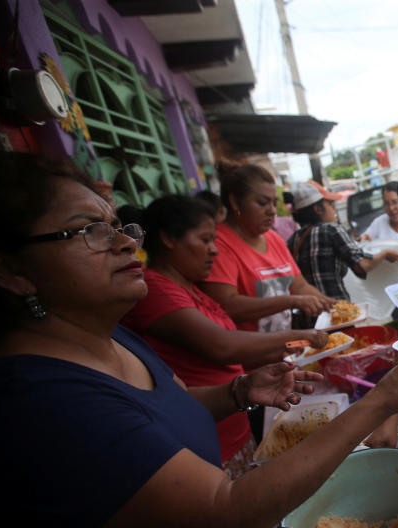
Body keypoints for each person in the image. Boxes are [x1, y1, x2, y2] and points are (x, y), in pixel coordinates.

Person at [0, 151, 398, 528]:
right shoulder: (35, 404)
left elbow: (173, 406)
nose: (125, 243)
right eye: (89, 230)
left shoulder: (110, 336)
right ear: (6, 269)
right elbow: (225, 514)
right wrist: (382, 400)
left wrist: (238, 390)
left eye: (121, 228)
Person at [122, 195, 328, 478]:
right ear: (169, 239)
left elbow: (231, 360)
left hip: (236, 432)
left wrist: (292, 351)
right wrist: (298, 334)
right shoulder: (155, 290)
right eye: (205, 240)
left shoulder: (192, 290)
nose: (214, 251)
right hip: (206, 446)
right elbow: (222, 346)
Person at [198, 161, 333, 333]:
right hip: (249, 356)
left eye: (274, 203)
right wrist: (290, 301)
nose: (272, 211)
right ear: (234, 202)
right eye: (262, 203)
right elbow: (227, 305)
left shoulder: (273, 238)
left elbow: (299, 287)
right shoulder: (218, 244)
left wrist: (332, 305)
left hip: (285, 351)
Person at [287, 182, 398, 300]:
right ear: (318, 209)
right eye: (330, 204)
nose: (334, 208)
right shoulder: (332, 230)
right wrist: (385, 254)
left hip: (309, 312)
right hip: (336, 310)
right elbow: (362, 266)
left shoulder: (292, 240)